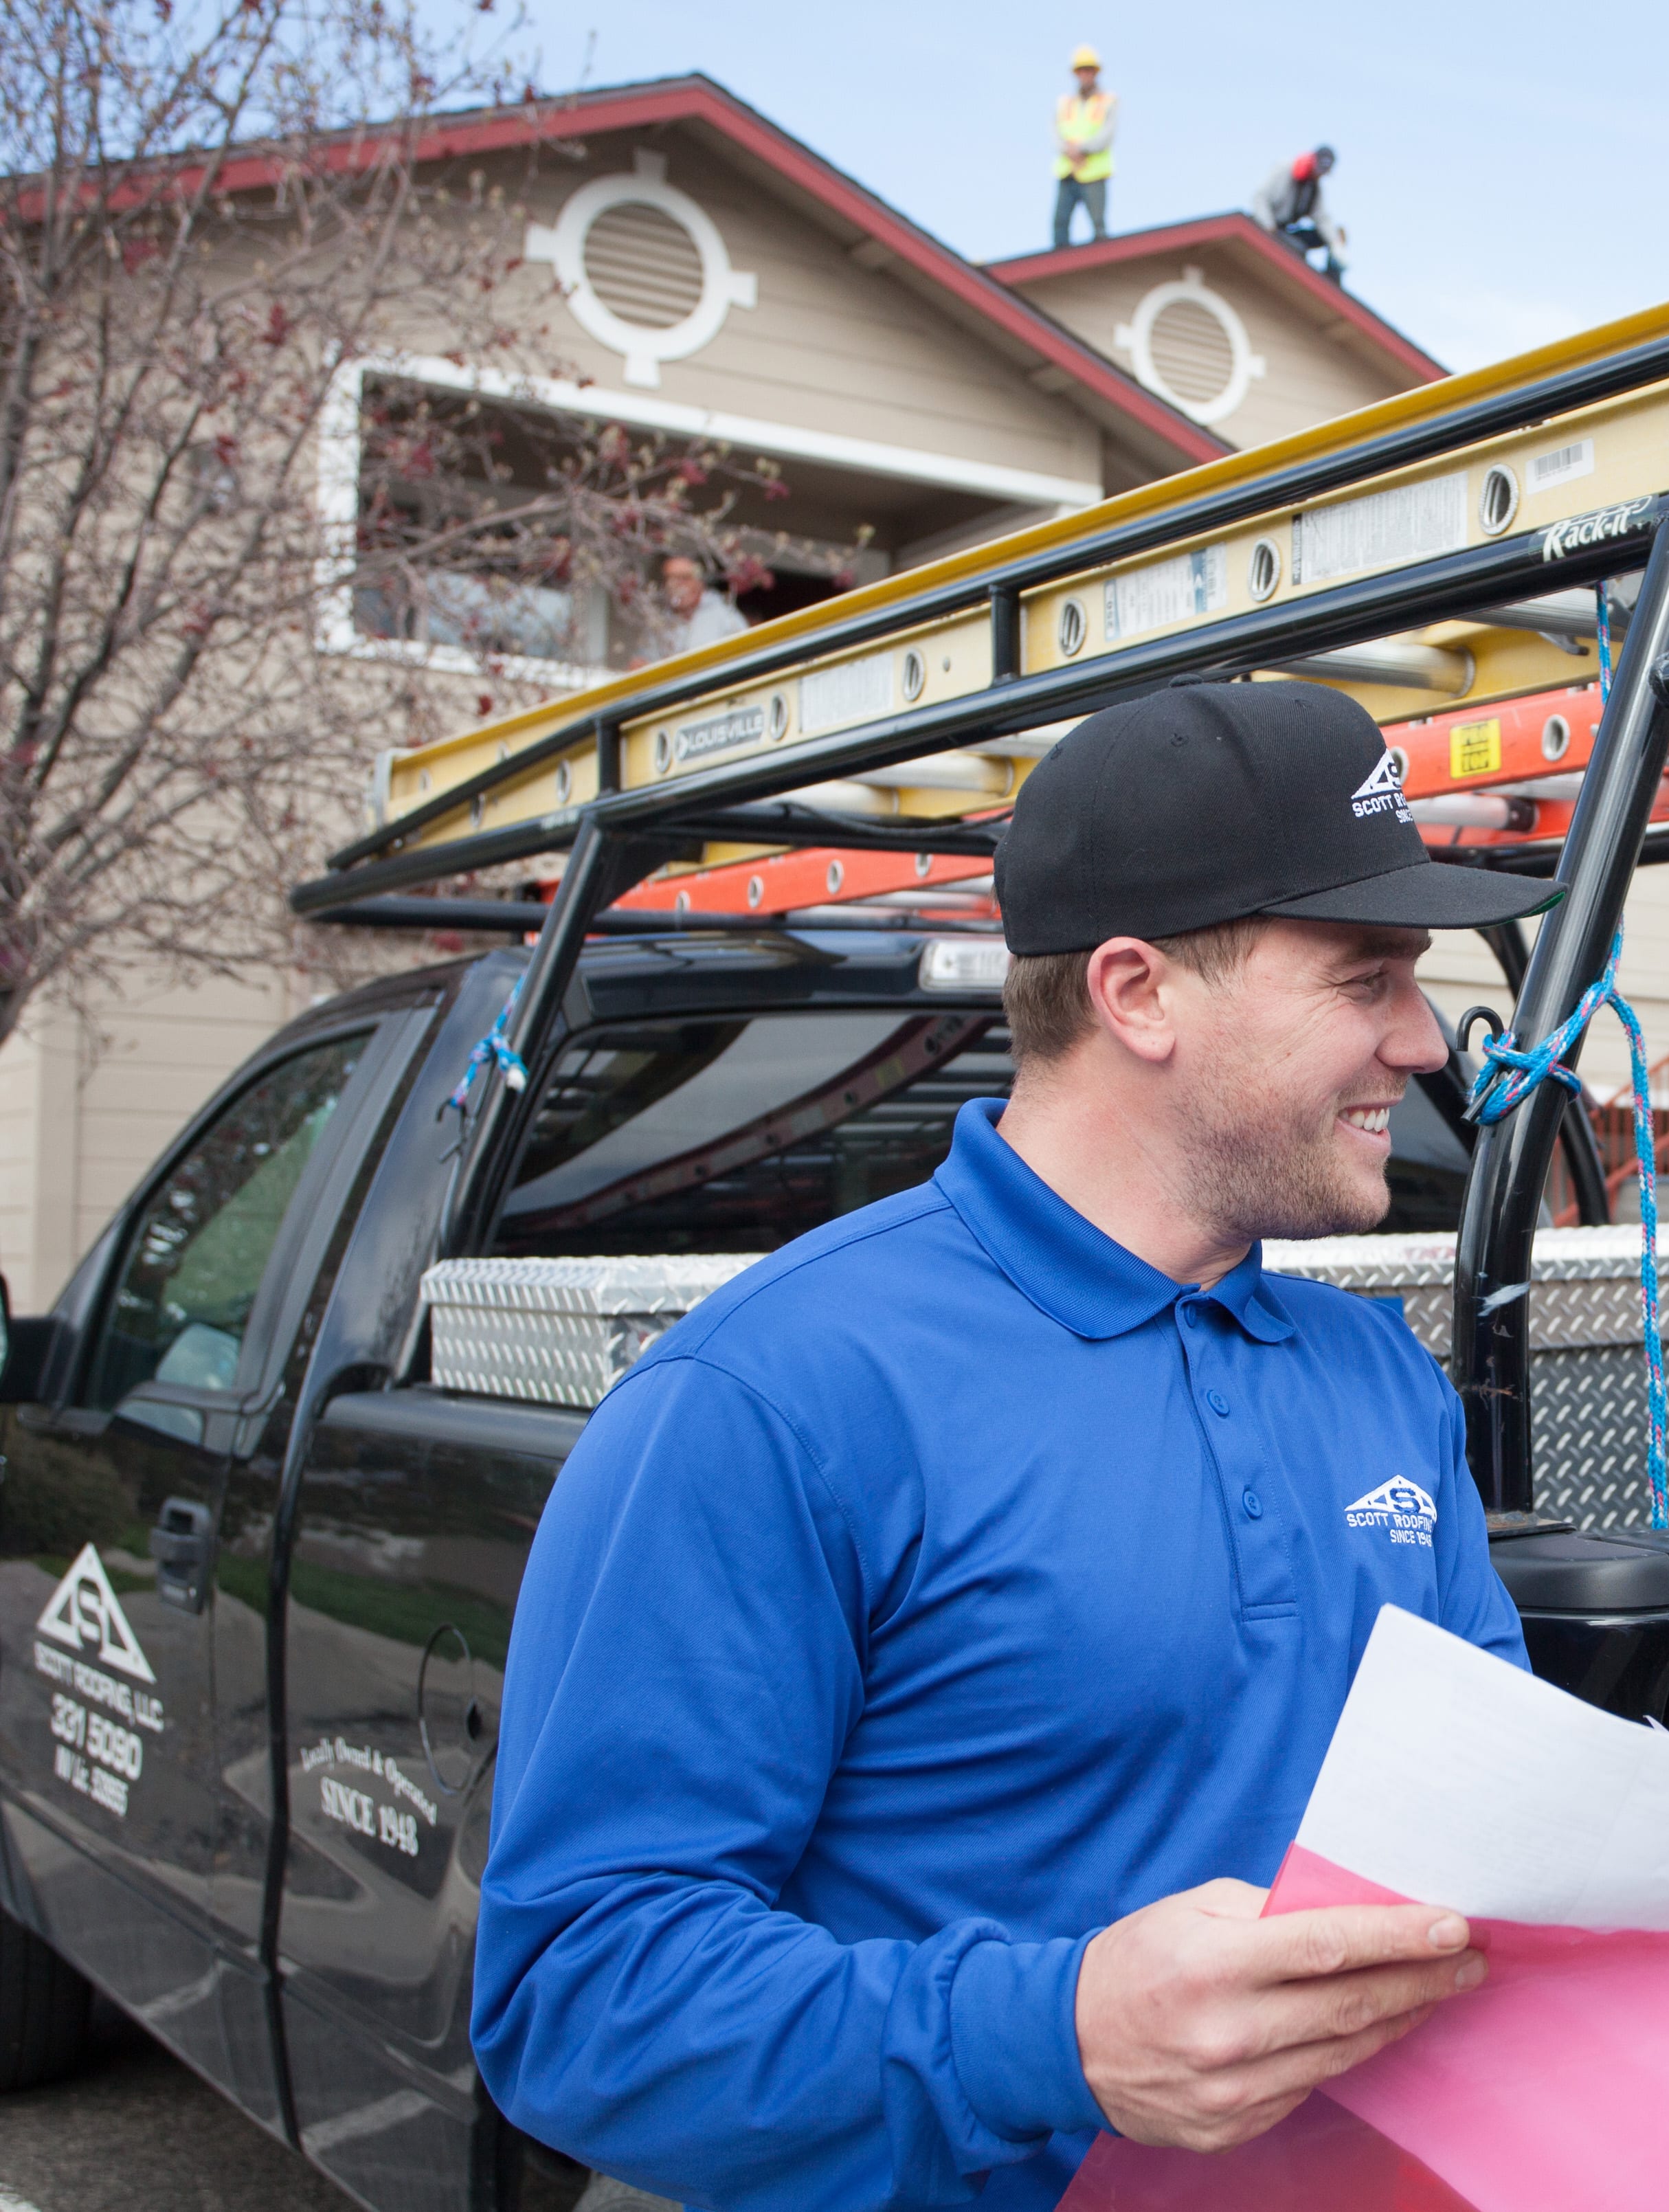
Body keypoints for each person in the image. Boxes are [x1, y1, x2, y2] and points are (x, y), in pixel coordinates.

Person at [473, 684, 1566, 2211]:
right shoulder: (777, 1396)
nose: (1423, 1039)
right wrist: (1056, 2036)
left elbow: (1500, 1807)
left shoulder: (1376, 1377)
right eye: (1365, 975)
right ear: (1137, 992)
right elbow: (580, 1997)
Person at [1051, 45, 1116, 249]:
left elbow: (1107, 134)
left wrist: (1082, 149)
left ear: (1095, 73)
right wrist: (1068, 150)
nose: (1085, 75)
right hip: (1068, 171)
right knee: (1060, 225)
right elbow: (1055, 132)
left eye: (1089, 71)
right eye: (1081, 71)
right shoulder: (1065, 103)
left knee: (1098, 227)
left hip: (1094, 172)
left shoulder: (1107, 101)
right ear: (1076, 74)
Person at [1252, 143, 1345, 278]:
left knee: (1324, 237)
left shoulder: (1314, 188)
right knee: (1297, 248)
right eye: (1320, 169)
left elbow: (1322, 218)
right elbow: (1260, 198)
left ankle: (1332, 280)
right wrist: (1268, 226)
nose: (1320, 175)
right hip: (1268, 226)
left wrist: (1336, 244)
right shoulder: (1286, 169)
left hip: (1286, 231)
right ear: (1313, 161)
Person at [647, 551, 745, 660]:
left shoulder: (724, 616)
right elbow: (645, 661)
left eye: (684, 579)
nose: (676, 586)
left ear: (699, 582)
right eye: (670, 580)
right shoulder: (661, 623)